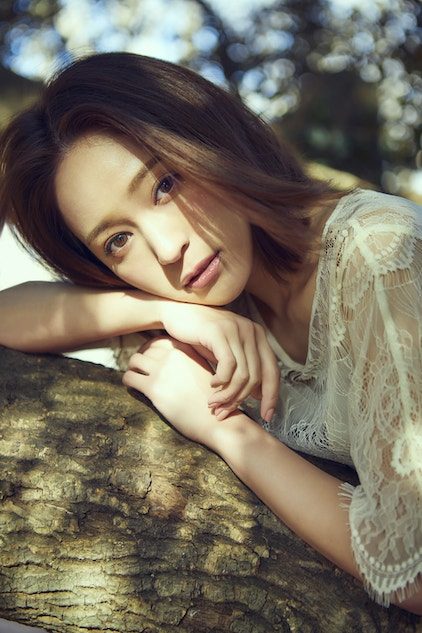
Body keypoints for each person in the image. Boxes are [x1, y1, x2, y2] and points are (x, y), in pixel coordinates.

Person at [0, 52, 421, 615]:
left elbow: (414, 572)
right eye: (117, 241)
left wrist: (227, 432)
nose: (166, 248)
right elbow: (9, 313)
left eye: (164, 184)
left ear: (211, 139)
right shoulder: (204, 306)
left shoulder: (379, 255)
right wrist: (161, 311)